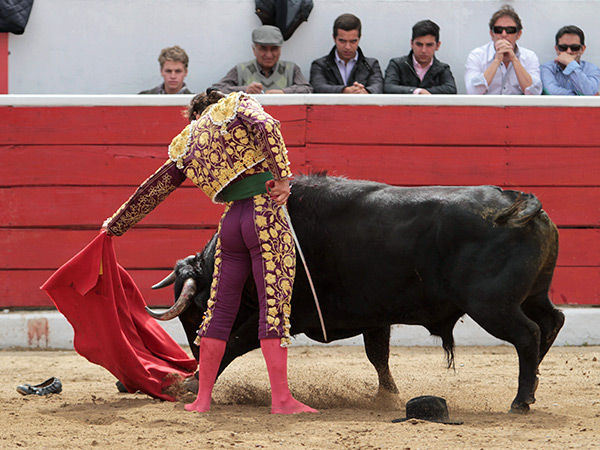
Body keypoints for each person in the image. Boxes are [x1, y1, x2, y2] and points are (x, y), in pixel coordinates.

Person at [102, 89, 318, 415]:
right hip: (265, 215)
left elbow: (154, 188)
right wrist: (283, 178)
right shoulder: (235, 104)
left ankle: (202, 400)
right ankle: (282, 400)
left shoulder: (187, 142)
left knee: (219, 311)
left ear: (195, 116)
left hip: (230, 224)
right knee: (272, 307)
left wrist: (113, 226)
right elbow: (268, 125)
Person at [210, 25, 312, 94]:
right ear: (254, 50)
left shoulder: (291, 69)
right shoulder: (241, 69)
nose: (269, 55)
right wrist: (244, 90)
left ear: (280, 50)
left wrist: (284, 92)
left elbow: (307, 89)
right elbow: (216, 89)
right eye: (263, 48)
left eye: (274, 49)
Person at [464, 4, 541, 95]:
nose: (504, 34)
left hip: (518, 108)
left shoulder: (529, 57)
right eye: (498, 30)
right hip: (488, 107)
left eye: (510, 30)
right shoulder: (477, 55)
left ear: (519, 34)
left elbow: (534, 93)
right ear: (492, 34)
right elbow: (473, 92)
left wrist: (514, 59)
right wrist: (497, 60)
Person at [310, 13, 383, 93]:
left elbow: (378, 86)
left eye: (353, 41)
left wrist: (366, 92)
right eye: (342, 41)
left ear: (359, 38)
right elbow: (318, 87)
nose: (347, 47)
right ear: (334, 38)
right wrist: (344, 91)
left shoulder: (371, 64)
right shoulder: (320, 65)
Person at [383, 20, 457, 94]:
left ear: (437, 45)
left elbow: (451, 90)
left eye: (429, 45)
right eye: (419, 44)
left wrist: (423, 92)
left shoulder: (443, 68)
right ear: (412, 44)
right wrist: (417, 91)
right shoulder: (397, 64)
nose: (423, 50)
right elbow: (388, 87)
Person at [541, 25, 600, 95]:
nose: (569, 51)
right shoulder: (546, 68)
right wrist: (580, 95)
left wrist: (571, 64)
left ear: (583, 49)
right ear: (557, 49)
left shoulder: (592, 69)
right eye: (563, 47)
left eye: (574, 47)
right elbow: (552, 93)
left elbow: (589, 92)